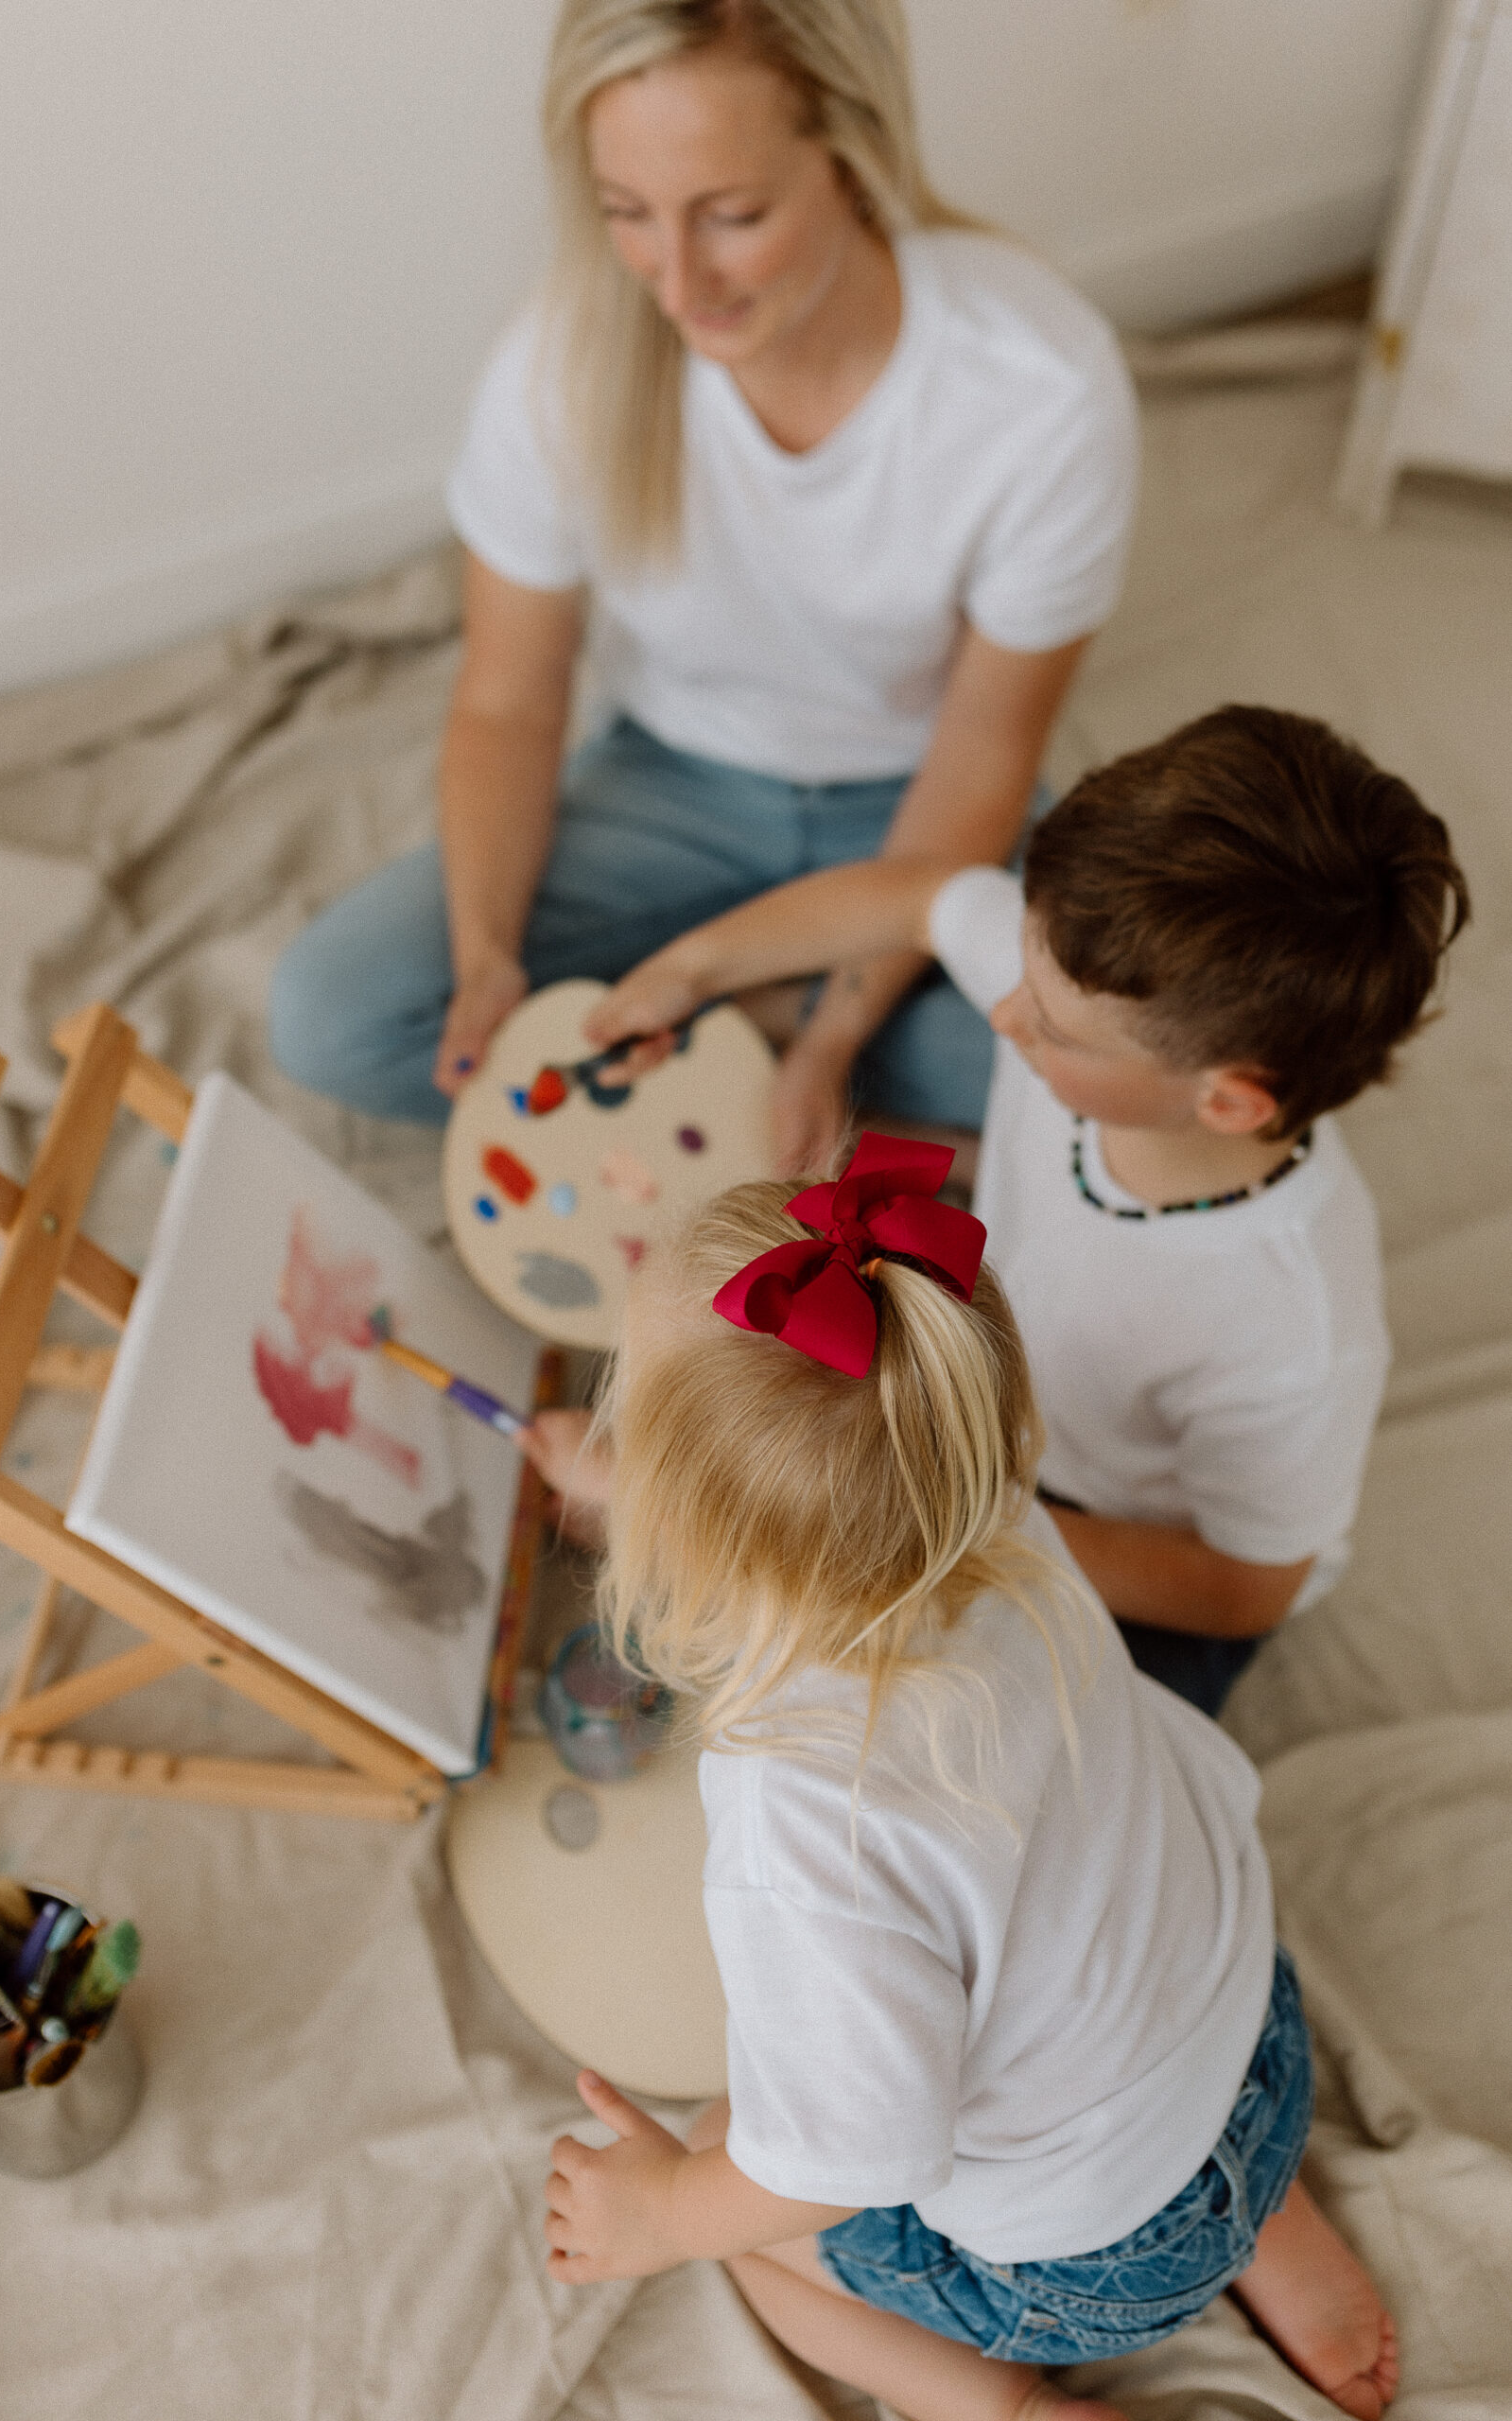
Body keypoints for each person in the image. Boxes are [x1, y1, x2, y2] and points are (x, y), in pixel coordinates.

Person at [531, 1143, 1399, 2421]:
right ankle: (1274, 2223)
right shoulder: (980, 1509)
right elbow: (821, 1488)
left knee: (744, 2208)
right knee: (1084, 2025)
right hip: (1251, 2045)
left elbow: (845, 2156)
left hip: (1098, 2256)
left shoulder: (799, 1813)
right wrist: (651, 1482)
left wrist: (660, 2214)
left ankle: (1006, 2407)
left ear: (679, 1542)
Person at [268, 0, 1138, 1175]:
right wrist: (488, 968)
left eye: (733, 215)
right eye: (627, 213)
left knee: (1138, 1071)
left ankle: (740, 1024)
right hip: (673, 784)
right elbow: (507, 701)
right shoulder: (558, 366)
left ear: (853, 154)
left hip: (918, 805)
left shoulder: (1040, 387)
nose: (678, 283)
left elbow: (984, 754)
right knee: (334, 1015)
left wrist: (831, 1032)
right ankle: (738, 1023)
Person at [579, 705, 1471, 1714]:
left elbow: (1245, 1585)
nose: (1004, 1015)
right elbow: (924, 896)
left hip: (1130, 1553)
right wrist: (686, 973)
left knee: (932, 1720)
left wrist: (946, 1523)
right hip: (991, 1424)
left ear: (1228, 1099)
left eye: (1051, 1029)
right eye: (1024, 973)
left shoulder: (1290, 1322)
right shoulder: (1094, 974)